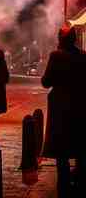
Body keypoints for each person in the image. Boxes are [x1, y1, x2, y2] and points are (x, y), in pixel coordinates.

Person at [41, 24, 86, 198]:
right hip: (81, 107)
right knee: (80, 147)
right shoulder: (83, 57)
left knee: (62, 152)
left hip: (61, 109)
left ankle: (64, 188)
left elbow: (46, 82)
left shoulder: (56, 56)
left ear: (61, 39)